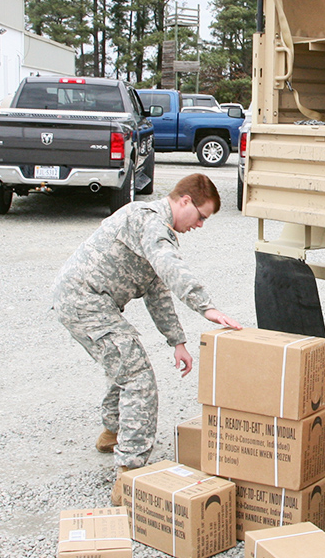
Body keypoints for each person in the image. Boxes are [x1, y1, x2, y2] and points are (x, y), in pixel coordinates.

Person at [50, 173, 243, 474]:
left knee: (124, 364)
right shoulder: (150, 222)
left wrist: (177, 341)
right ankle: (129, 471)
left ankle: (112, 433)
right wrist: (206, 307)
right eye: (201, 216)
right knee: (138, 377)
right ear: (185, 201)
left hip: (87, 301)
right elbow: (169, 266)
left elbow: (157, 289)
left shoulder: (156, 226)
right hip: (85, 302)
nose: (200, 225)